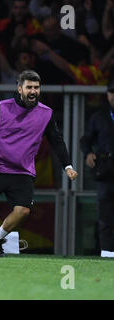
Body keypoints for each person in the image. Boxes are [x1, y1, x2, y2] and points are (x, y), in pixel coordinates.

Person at [0, 70, 78, 256]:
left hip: (22, 173)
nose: (33, 91)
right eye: (29, 87)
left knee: (23, 211)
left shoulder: (46, 114)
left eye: (36, 87)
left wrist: (67, 166)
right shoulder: (3, 107)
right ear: (20, 89)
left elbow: (57, 141)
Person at [80, 80, 114, 258]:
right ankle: (108, 254)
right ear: (107, 94)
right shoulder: (99, 116)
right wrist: (88, 153)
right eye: (111, 92)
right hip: (106, 171)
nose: (113, 96)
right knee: (105, 217)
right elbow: (85, 139)